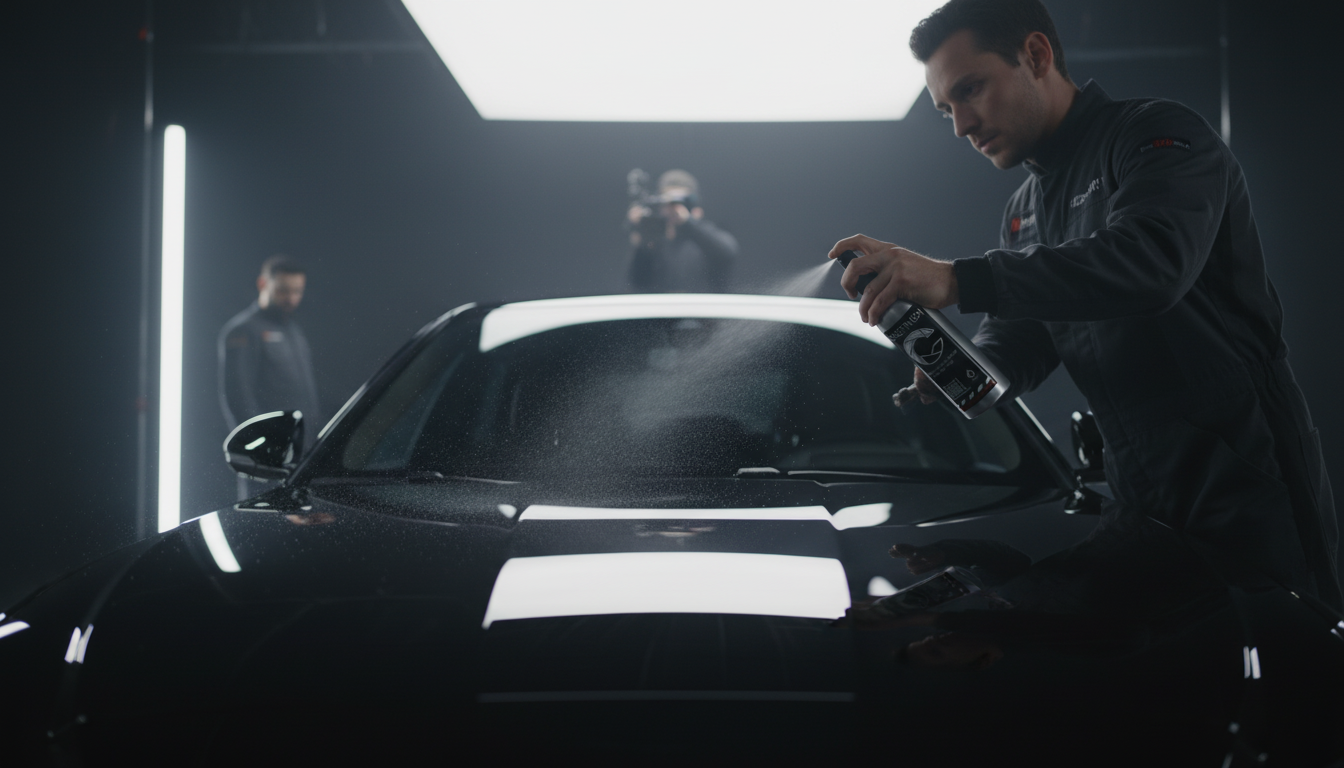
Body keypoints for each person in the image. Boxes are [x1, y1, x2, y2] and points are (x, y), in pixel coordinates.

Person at [829, 0, 1339, 608]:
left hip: (1247, 489)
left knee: (1279, 683)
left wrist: (955, 280)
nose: (962, 124)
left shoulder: (1154, 135)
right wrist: (961, 368)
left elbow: (1151, 264)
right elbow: (1020, 341)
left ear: (1036, 56)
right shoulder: (1023, 209)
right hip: (1135, 501)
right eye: (946, 110)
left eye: (971, 90)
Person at [218, 255, 322, 499]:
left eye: (298, 291)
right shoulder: (243, 331)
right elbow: (238, 398)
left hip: (302, 457)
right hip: (268, 462)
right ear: (263, 284)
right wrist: (263, 454)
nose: (292, 298)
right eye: (284, 290)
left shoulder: (293, 330)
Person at [627, 169, 738, 292]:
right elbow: (636, 282)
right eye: (668, 203)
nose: (673, 209)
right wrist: (643, 244)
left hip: (705, 308)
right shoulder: (655, 243)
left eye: (680, 202)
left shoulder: (706, 240)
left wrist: (688, 222)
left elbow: (728, 251)